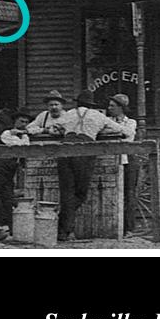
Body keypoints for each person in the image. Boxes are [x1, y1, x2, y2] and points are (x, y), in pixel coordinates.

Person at [55, 90, 121, 241]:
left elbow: (54, 127)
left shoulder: (68, 114)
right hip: (84, 151)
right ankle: (63, 228)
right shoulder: (97, 115)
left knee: (66, 192)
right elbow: (118, 129)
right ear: (91, 105)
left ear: (78, 103)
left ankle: (63, 230)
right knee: (81, 193)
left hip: (65, 149)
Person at [0, 108, 33, 241]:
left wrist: (23, 134)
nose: (23, 124)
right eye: (21, 121)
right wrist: (18, 134)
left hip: (8, 171)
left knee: (7, 199)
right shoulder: (6, 133)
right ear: (15, 121)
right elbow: (16, 145)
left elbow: (25, 147)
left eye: (26, 122)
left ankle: (5, 231)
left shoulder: (24, 136)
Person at [106, 94, 138, 234]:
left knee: (129, 193)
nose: (109, 108)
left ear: (121, 108)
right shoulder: (107, 120)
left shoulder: (131, 122)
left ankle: (129, 227)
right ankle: (113, 226)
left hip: (127, 160)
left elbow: (128, 135)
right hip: (111, 158)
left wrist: (113, 129)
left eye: (112, 106)